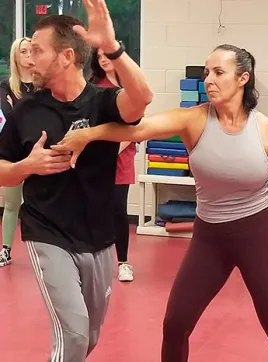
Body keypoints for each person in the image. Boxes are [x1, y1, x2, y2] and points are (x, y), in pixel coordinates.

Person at [53, 44, 268, 362]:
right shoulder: (194, 120)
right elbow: (138, 129)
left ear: (243, 78)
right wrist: (88, 134)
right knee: (175, 324)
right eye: (205, 73)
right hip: (210, 237)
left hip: (258, 233)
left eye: (218, 72)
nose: (209, 80)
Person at [0, 1, 152, 361]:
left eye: (38, 50)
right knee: (74, 332)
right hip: (47, 232)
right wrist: (27, 166)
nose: (29, 59)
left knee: (88, 336)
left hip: (98, 238)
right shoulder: (27, 109)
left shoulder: (102, 103)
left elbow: (142, 98)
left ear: (66, 56)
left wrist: (113, 49)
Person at [89, 48, 135, 281]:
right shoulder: (96, 88)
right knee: (97, 208)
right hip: (99, 160)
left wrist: (119, 146)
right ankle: (97, 260)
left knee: (118, 209)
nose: (104, 59)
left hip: (122, 158)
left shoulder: (130, 85)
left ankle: (123, 262)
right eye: (99, 57)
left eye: (108, 54)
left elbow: (135, 127)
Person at [0, 37, 34, 267]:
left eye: (33, 50)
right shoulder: (6, 86)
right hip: (14, 153)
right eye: (24, 51)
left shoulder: (45, 84)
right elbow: (8, 116)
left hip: (39, 150)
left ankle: (43, 251)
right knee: (12, 203)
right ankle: (6, 249)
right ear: (16, 56)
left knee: (41, 203)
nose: (29, 55)